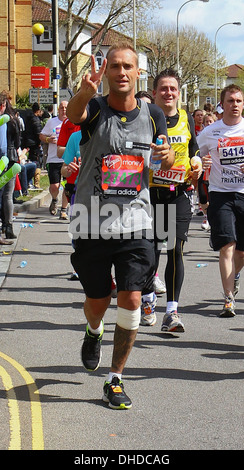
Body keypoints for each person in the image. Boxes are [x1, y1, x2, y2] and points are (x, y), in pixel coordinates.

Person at [66, 44, 174, 409]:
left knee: (130, 297)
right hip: (92, 220)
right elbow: (74, 114)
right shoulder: (95, 107)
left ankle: (115, 379)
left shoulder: (154, 113)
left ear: (138, 73)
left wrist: (166, 155)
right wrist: (83, 92)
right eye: (115, 66)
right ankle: (93, 331)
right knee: (97, 302)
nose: (122, 72)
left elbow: (166, 151)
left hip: (137, 222)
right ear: (107, 72)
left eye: (128, 66)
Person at [141, 68, 201, 332]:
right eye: (163, 88)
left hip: (179, 193)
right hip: (151, 195)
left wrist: (197, 161)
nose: (168, 93)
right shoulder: (146, 119)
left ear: (178, 93)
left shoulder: (186, 118)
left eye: (173, 89)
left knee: (174, 250)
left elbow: (193, 148)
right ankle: (147, 300)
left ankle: (172, 312)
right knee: (149, 252)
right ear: (154, 93)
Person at [197, 84, 244, 317]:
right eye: (230, 101)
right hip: (220, 193)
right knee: (227, 245)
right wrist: (200, 163)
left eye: (238, 101)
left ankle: (234, 274)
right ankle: (228, 299)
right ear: (222, 104)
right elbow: (195, 154)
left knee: (242, 252)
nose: (234, 105)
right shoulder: (211, 131)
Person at [39, 101, 69, 219]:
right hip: (53, 159)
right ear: (58, 110)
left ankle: (63, 210)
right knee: (54, 186)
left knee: (67, 186)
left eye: (66, 108)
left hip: (68, 159)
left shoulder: (73, 122)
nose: (64, 110)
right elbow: (41, 135)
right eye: (62, 108)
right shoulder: (52, 122)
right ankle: (55, 199)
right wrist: (48, 139)